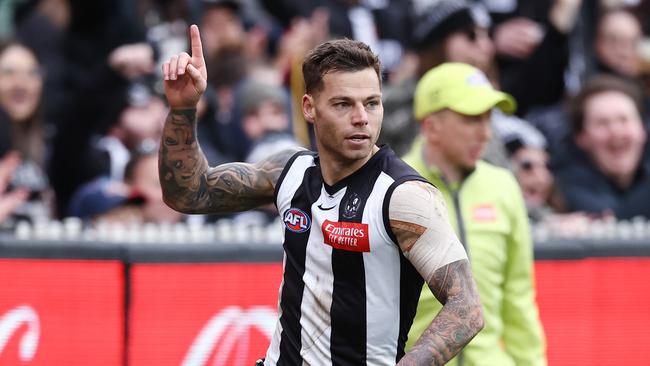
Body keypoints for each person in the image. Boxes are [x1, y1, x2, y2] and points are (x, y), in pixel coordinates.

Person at [159, 25, 483, 364]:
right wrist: (183, 109)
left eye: (372, 103)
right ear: (309, 108)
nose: (362, 119)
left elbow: (467, 309)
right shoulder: (289, 171)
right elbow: (188, 194)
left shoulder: (405, 196)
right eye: (343, 104)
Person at [403, 63, 546, 365]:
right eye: (471, 119)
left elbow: (518, 300)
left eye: (488, 118)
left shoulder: (503, 186)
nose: (485, 133)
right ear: (431, 126)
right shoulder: (391, 186)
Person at [552, 74, 650, 219]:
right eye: (602, 123)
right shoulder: (564, 178)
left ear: (642, 130)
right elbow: (609, 219)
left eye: (624, 120)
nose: (616, 132)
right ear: (581, 137)